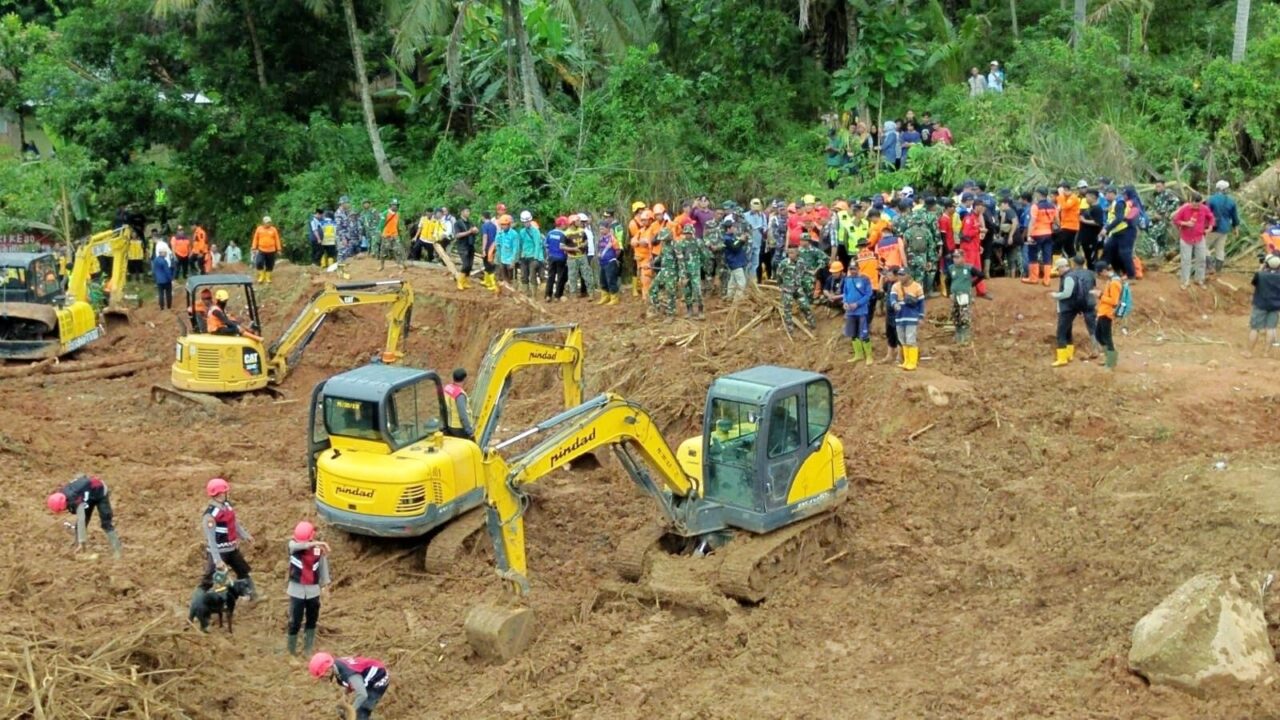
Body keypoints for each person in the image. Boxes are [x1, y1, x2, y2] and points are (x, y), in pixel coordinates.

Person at [200, 478, 257, 599]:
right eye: (225, 492)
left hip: (231, 548)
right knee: (209, 578)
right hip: (219, 552)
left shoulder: (227, 507)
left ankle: (251, 594)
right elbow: (211, 539)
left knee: (243, 571)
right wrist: (217, 560)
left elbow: (234, 524)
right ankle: (200, 599)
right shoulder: (210, 515)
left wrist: (245, 536)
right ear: (220, 494)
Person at [46, 473, 122, 557]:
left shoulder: (74, 499)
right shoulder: (64, 494)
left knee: (106, 523)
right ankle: (79, 548)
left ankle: (117, 550)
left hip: (100, 492)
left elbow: (81, 519)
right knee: (79, 526)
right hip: (87, 496)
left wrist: (82, 540)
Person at [286, 521, 331, 656]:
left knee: (312, 619)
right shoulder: (293, 546)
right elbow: (296, 546)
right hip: (296, 590)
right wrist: (315, 543)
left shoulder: (318, 551)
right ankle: (291, 650)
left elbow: (323, 568)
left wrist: (325, 585)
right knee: (295, 620)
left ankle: (308, 648)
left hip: (313, 591)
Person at [309, 653, 390, 720]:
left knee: (361, 713)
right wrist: (345, 696)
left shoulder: (348, 674)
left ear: (328, 670)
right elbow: (351, 681)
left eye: (323, 676)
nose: (323, 679)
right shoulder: (336, 665)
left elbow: (362, 695)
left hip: (379, 678)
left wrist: (351, 712)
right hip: (366, 676)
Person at [1048, 256, 1094, 366]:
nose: (1057, 271)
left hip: (1067, 308)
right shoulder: (1072, 275)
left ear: (1063, 267)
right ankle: (1069, 354)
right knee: (1068, 331)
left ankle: (1062, 358)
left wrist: (1055, 295)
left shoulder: (1068, 277)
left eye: (1058, 269)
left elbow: (1067, 294)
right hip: (1071, 308)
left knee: (1061, 332)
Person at [1171, 192, 1215, 288]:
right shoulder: (1184, 208)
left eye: (1198, 205)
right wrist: (1186, 223)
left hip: (1199, 237)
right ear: (1190, 201)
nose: (1196, 207)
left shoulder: (1204, 208)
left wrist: (1210, 226)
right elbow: (1176, 220)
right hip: (1186, 238)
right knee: (1186, 260)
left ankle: (1199, 279)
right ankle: (1185, 281)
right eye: (1194, 204)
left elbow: (1211, 217)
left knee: (1201, 259)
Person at [1102, 186, 1141, 280]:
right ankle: (1118, 271)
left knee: (1125, 253)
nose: (1124, 196)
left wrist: (1107, 229)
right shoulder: (1116, 203)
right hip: (1117, 231)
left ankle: (1131, 275)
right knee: (1110, 249)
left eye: (1125, 194)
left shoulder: (1124, 203)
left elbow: (1120, 218)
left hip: (1127, 230)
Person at [889, 267, 924, 370]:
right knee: (902, 339)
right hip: (900, 317)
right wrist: (894, 304)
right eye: (899, 274)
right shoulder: (895, 286)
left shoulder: (917, 287)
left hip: (911, 317)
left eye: (902, 274)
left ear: (908, 275)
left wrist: (921, 316)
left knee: (910, 339)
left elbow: (921, 304)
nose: (900, 276)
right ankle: (906, 361)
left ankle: (912, 362)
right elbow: (892, 298)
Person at [649, 223, 686, 318]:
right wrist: (654, 262)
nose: (663, 240)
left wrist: (682, 276)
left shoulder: (676, 245)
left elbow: (681, 261)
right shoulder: (664, 244)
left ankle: (671, 314)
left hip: (672, 273)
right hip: (663, 270)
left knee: (671, 292)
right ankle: (658, 308)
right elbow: (661, 255)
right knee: (653, 289)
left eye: (665, 238)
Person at [777, 245, 816, 332]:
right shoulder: (784, 263)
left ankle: (812, 324)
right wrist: (781, 286)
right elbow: (779, 275)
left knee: (805, 306)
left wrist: (811, 276)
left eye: (792, 253)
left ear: (797, 253)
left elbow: (806, 271)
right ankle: (790, 329)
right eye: (789, 253)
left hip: (798, 288)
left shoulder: (801, 262)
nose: (790, 255)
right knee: (787, 310)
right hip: (787, 290)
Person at [1022, 188, 1057, 286]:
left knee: (1032, 254)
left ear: (1038, 194)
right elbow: (1057, 221)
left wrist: (1029, 235)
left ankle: (1033, 278)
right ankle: (1047, 280)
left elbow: (1032, 222)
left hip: (1036, 234)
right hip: (1048, 234)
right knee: (1047, 256)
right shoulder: (1053, 206)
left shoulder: (1035, 207)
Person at [946, 250, 982, 345]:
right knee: (956, 316)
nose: (955, 259)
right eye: (954, 257)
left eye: (957, 257)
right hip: (955, 296)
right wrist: (949, 293)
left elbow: (981, 275)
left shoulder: (969, 268)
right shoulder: (951, 268)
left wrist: (972, 284)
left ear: (963, 258)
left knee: (964, 316)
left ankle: (965, 337)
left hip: (965, 296)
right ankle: (958, 336)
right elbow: (947, 281)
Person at [842, 260, 874, 365]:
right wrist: (845, 302)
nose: (852, 271)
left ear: (858, 268)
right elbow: (845, 292)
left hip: (861, 311)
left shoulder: (864, 279)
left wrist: (857, 304)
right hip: (850, 312)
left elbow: (868, 294)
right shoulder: (847, 279)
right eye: (850, 269)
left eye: (854, 269)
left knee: (864, 334)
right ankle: (858, 354)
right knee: (853, 334)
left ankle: (869, 356)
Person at [1248, 255, 1280, 357]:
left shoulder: (1260, 275)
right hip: (1275, 306)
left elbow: (1253, 282)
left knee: (1255, 328)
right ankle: (1266, 352)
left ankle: (1249, 352)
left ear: (1266, 264)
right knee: (1270, 328)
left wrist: (1261, 267)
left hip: (1260, 305)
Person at [1206, 180, 1241, 275]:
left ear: (1217, 188)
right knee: (1220, 249)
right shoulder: (1231, 201)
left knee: (1204, 246)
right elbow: (1235, 217)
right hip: (1225, 228)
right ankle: (1218, 271)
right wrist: (1236, 229)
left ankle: (1210, 267)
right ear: (1226, 189)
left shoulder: (1211, 199)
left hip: (1213, 228)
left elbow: (1206, 214)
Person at [1093, 261, 1123, 369]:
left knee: (1107, 338)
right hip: (1103, 312)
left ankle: (1111, 362)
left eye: (1100, 274)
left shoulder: (1114, 283)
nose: (1099, 277)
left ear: (1105, 271)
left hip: (1107, 313)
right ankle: (1109, 359)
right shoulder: (1110, 281)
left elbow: (1114, 301)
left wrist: (1100, 295)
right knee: (1098, 335)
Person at [564, 214, 597, 301]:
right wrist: (573, 249)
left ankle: (591, 294)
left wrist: (584, 244)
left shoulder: (582, 231)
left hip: (583, 256)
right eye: (577, 221)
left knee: (587, 275)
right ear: (572, 223)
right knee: (572, 276)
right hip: (572, 258)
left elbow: (586, 241)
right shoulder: (566, 233)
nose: (579, 222)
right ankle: (573, 295)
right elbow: (562, 246)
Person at [1146, 180, 1181, 258]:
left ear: (1163, 186)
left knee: (1152, 235)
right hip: (1157, 219)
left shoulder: (1168, 193)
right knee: (1161, 240)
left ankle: (1156, 254)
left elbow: (1176, 201)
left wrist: (1167, 213)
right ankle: (1164, 255)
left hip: (1164, 219)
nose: (1157, 188)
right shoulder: (1157, 196)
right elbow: (1154, 207)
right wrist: (1153, 214)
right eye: (1156, 186)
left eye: (1159, 186)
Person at [515, 210, 544, 297]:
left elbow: (537, 245)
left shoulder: (535, 231)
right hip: (524, 256)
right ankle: (526, 294)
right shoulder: (522, 232)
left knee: (532, 276)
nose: (526, 223)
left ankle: (534, 295)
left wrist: (536, 258)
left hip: (533, 257)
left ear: (530, 220)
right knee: (524, 276)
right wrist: (519, 256)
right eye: (524, 222)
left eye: (527, 221)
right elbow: (520, 244)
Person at [442, 368, 475, 438]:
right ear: (464, 379)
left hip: (449, 424)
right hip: (459, 427)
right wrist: (469, 431)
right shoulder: (460, 395)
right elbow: (463, 415)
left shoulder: (447, 388)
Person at [251, 216, 283, 284]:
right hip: (261, 249)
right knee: (259, 262)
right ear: (263, 223)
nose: (269, 224)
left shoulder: (273, 229)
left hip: (271, 250)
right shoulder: (259, 229)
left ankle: (268, 277)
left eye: (269, 222)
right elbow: (255, 239)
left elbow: (277, 239)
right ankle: (262, 275)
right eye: (267, 222)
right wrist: (254, 247)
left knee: (270, 264)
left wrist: (279, 249)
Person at [596, 220, 622, 305]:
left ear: (608, 229)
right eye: (600, 229)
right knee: (603, 280)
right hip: (602, 263)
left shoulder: (612, 238)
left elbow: (617, 250)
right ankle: (605, 296)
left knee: (611, 279)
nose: (601, 231)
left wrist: (612, 257)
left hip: (610, 262)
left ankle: (614, 297)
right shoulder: (601, 239)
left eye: (603, 229)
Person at [723, 217, 748, 301]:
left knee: (732, 281)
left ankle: (729, 297)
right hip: (735, 262)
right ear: (729, 228)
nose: (735, 228)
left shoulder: (732, 237)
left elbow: (738, 243)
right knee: (741, 282)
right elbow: (734, 247)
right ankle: (738, 299)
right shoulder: (727, 239)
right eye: (733, 227)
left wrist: (743, 240)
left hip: (737, 262)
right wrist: (741, 240)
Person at [453, 207, 478, 290]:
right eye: (467, 211)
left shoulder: (470, 222)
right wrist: (469, 232)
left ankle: (466, 281)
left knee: (470, 265)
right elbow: (457, 235)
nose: (468, 213)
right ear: (462, 212)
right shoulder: (458, 223)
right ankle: (459, 281)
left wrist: (475, 231)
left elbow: (474, 231)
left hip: (470, 245)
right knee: (466, 264)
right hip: (462, 246)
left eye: (469, 211)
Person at [495, 214, 519, 289]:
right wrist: (498, 258)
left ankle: (513, 292)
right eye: (502, 225)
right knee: (504, 278)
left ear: (509, 225)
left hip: (510, 260)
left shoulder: (514, 234)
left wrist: (513, 261)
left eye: (505, 225)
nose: (503, 226)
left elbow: (516, 248)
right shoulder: (500, 234)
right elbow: (498, 246)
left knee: (511, 278)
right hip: (502, 259)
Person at [335, 196, 360, 261]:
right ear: (342, 203)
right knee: (341, 254)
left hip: (348, 237)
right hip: (342, 238)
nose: (348, 204)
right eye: (347, 203)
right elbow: (339, 227)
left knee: (346, 255)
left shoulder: (346, 212)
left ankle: (343, 270)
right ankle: (340, 270)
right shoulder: (338, 213)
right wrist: (343, 238)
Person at [378, 200, 402, 269]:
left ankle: (399, 263)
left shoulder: (397, 214)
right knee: (383, 251)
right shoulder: (385, 213)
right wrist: (380, 233)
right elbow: (381, 224)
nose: (395, 206)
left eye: (396, 205)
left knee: (397, 250)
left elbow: (397, 225)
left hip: (395, 234)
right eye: (394, 205)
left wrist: (399, 233)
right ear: (390, 205)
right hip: (386, 235)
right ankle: (381, 265)